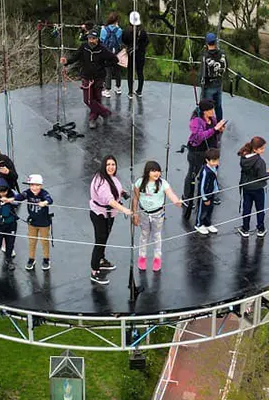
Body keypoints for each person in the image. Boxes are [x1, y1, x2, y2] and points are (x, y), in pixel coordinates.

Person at [88, 155, 133, 285]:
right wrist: (124, 210)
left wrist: (122, 192)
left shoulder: (109, 177)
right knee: (100, 242)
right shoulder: (102, 182)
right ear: (104, 165)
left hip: (108, 214)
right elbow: (110, 200)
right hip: (100, 215)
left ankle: (101, 260)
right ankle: (94, 271)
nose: (111, 167)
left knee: (104, 239)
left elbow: (114, 187)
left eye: (113, 164)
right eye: (108, 164)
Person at [132, 161, 183, 271]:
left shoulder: (163, 183)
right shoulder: (139, 182)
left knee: (157, 236)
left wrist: (177, 202)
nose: (157, 173)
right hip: (144, 213)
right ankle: (142, 257)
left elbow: (171, 194)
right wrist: (135, 213)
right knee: (144, 235)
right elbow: (135, 198)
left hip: (158, 214)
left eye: (158, 171)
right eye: (153, 171)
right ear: (147, 172)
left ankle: (157, 258)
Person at [61, 28, 118, 127]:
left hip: (99, 77)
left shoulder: (102, 49)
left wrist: (104, 65)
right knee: (87, 100)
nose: (91, 40)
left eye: (93, 38)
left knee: (97, 99)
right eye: (89, 38)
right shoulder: (84, 47)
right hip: (86, 76)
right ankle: (106, 113)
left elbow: (115, 59)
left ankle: (92, 119)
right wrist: (67, 62)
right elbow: (75, 57)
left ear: (97, 39)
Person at [182, 99, 227, 219]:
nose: (212, 112)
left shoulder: (212, 119)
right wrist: (214, 129)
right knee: (193, 173)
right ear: (204, 111)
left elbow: (214, 133)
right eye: (210, 110)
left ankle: (210, 194)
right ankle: (187, 196)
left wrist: (219, 130)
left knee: (211, 172)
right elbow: (199, 136)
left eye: (213, 109)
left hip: (210, 150)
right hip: (197, 151)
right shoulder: (196, 121)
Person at [12, 174, 54, 271]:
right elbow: (19, 197)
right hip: (32, 222)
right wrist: (9, 199)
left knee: (44, 241)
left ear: (41, 185)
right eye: (31, 185)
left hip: (44, 223)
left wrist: (45, 202)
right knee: (32, 241)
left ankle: (46, 259)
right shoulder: (27, 193)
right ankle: (31, 259)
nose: (34, 188)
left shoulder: (44, 193)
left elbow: (50, 199)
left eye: (36, 185)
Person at [237, 137, 269, 238]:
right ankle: (261, 229)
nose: (263, 150)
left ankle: (245, 229)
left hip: (246, 187)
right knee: (260, 209)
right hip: (258, 189)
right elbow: (262, 176)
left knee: (246, 208)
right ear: (255, 149)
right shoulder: (260, 162)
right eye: (261, 148)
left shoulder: (243, 158)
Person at [199, 33, 228, 121]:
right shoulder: (222, 54)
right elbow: (226, 67)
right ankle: (220, 124)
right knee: (218, 106)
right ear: (215, 42)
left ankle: (208, 125)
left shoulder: (205, 56)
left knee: (207, 108)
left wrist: (202, 85)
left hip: (209, 86)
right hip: (219, 84)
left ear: (207, 43)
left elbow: (203, 73)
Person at [195, 148, 221, 235]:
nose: (216, 163)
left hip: (212, 192)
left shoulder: (214, 167)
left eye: (217, 160)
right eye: (213, 161)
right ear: (207, 160)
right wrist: (204, 198)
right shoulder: (205, 171)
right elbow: (202, 186)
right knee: (202, 209)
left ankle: (207, 223)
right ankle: (199, 224)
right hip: (205, 195)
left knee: (210, 209)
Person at [122, 19, 149, 98]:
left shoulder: (127, 31)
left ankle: (130, 92)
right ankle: (139, 91)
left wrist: (129, 46)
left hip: (131, 54)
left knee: (130, 72)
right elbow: (147, 42)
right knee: (140, 72)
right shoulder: (142, 32)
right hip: (140, 54)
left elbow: (123, 40)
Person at [99, 13, 124, 97]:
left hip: (106, 53)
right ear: (116, 21)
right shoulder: (119, 30)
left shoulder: (104, 29)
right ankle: (118, 88)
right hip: (116, 53)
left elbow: (101, 40)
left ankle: (107, 90)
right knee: (117, 70)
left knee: (108, 71)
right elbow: (120, 42)